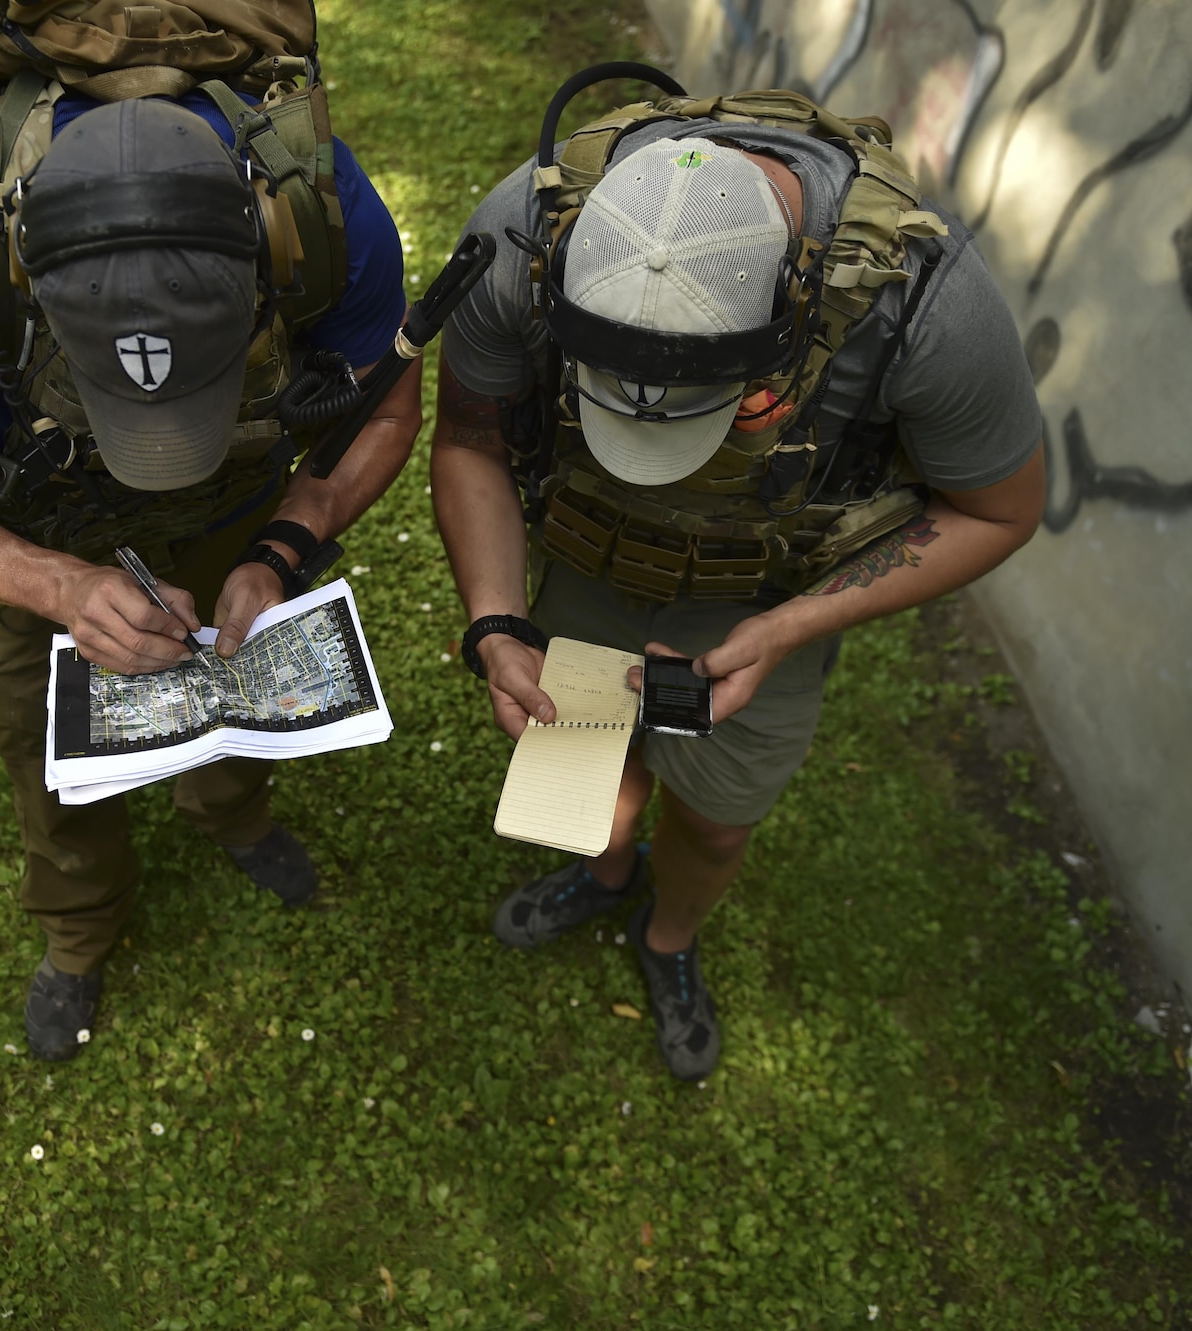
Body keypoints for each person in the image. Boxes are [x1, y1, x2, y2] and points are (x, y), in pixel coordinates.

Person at [433, 86, 1045, 1081]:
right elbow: (468, 437)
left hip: (762, 596)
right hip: (583, 557)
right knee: (578, 777)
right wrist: (496, 621)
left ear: (791, 315)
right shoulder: (519, 233)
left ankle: (667, 937)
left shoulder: (923, 303)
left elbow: (999, 507)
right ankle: (601, 868)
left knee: (717, 818)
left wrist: (792, 626)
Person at [0, 87, 414, 1062]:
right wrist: (54, 586)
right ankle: (79, 922)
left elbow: (384, 410)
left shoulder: (317, 207)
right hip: (41, 532)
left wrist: (281, 548)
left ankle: (232, 811)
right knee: (49, 747)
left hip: (238, 516)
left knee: (240, 690)